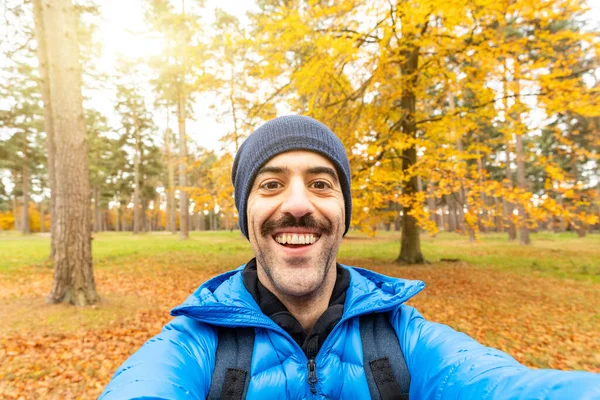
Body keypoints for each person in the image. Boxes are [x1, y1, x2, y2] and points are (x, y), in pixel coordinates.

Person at [100, 115, 599, 399]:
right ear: (244, 212)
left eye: (321, 184)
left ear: (343, 212)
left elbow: (506, 387)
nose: (297, 205)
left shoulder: (406, 340)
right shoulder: (193, 347)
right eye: (271, 184)